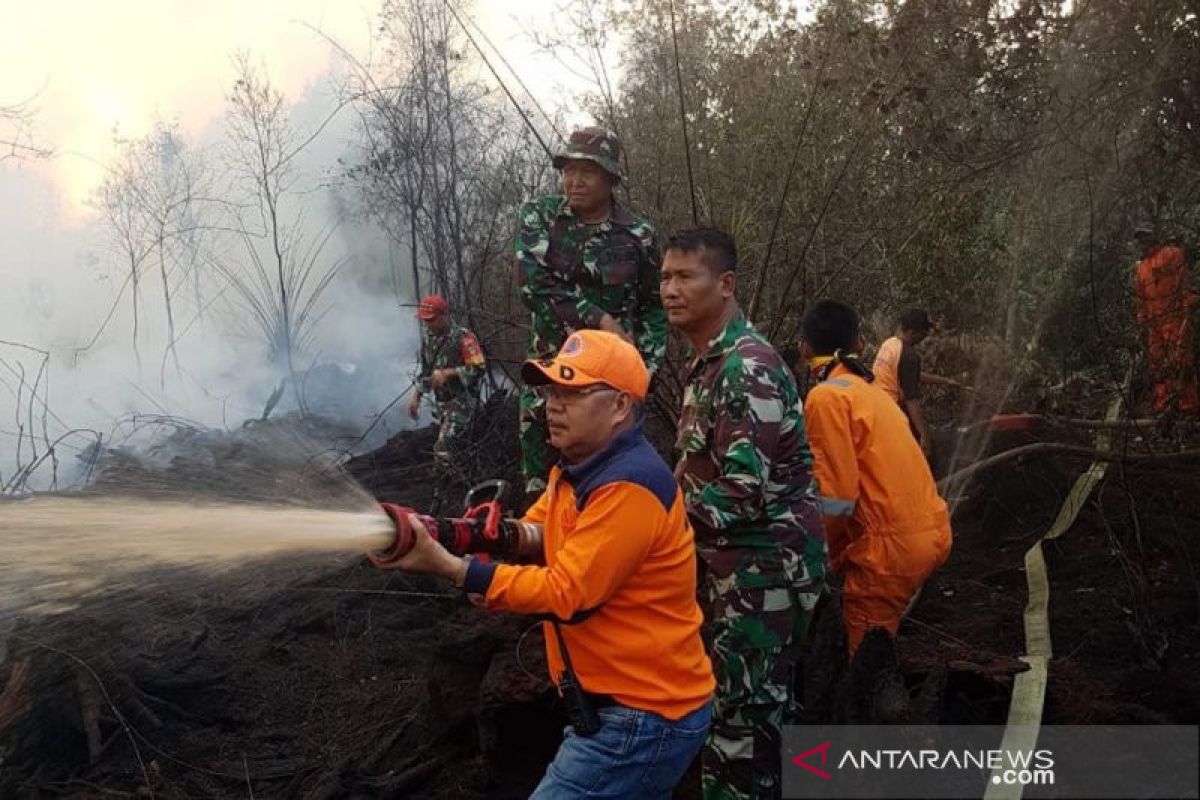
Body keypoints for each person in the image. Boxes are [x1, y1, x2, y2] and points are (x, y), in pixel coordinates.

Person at [386, 329, 714, 800]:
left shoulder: (629, 486)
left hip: (644, 718)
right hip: (622, 711)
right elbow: (540, 531)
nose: (551, 405)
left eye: (572, 393)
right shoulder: (577, 468)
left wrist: (453, 568)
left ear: (620, 406)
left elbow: (568, 594)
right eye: (552, 391)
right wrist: (476, 533)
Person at [662, 227, 825, 799]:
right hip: (738, 566)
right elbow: (693, 469)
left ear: (725, 284)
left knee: (740, 722)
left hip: (766, 570)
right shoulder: (708, 364)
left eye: (686, 277)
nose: (670, 290)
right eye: (665, 277)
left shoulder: (745, 367)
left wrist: (654, 537)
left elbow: (740, 491)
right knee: (749, 709)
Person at [514, 126, 667, 503]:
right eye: (567, 170)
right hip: (550, 380)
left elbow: (654, 307)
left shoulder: (638, 235)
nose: (574, 181)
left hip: (609, 391)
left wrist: (644, 371)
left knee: (612, 487)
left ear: (611, 178)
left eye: (587, 171)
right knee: (543, 493)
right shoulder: (541, 217)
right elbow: (533, 286)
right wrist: (600, 319)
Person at [801, 299, 952, 656]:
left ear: (803, 349)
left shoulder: (824, 398)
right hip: (932, 532)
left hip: (890, 553)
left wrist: (813, 559)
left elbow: (836, 499)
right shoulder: (874, 395)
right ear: (859, 347)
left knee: (865, 667)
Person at [871, 309, 967, 459]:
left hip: (877, 407)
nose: (925, 336)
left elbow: (909, 375)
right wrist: (924, 436)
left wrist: (946, 381)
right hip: (893, 412)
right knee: (922, 451)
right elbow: (912, 402)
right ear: (912, 332)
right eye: (923, 332)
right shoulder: (909, 355)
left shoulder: (890, 344)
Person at [407, 294, 486, 467]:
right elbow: (427, 372)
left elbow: (479, 369)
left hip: (462, 404)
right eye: (425, 320)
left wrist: (448, 373)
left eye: (432, 320)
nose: (428, 324)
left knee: (443, 450)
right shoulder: (429, 339)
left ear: (444, 316)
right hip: (442, 406)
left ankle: (443, 489)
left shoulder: (464, 339)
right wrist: (417, 396)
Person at [1133, 223, 1198, 414]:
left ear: (1152, 237)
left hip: (1175, 318)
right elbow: (1141, 297)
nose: (1141, 243)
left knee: (1180, 361)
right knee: (1158, 365)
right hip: (1154, 324)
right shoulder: (1141, 268)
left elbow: (1184, 281)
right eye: (1139, 240)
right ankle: (1164, 404)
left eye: (1144, 237)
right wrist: (1142, 318)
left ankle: (1188, 406)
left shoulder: (1172, 254)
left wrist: (1189, 308)